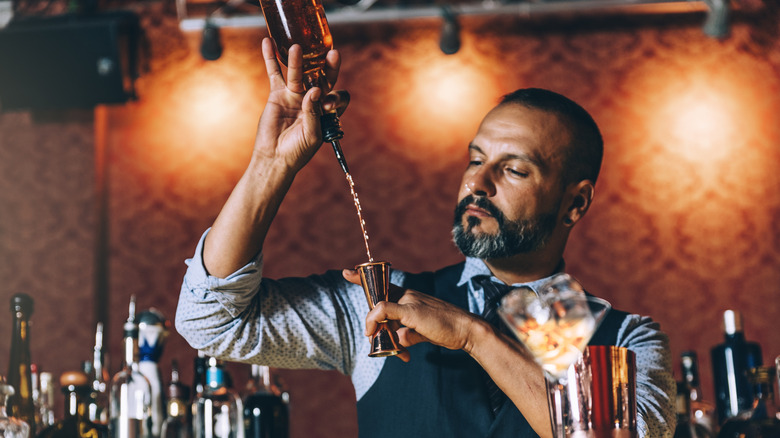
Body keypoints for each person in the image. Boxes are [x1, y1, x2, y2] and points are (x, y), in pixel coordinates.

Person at [176, 38, 675, 438]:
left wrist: (474, 336)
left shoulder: (625, 340)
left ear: (576, 203)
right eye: (476, 160)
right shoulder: (381, 305)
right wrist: (272, 164)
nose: (477, 183)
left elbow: (611, 435)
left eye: (514, 170)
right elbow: (210, 321)